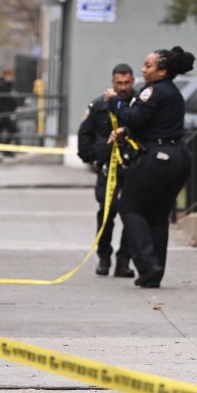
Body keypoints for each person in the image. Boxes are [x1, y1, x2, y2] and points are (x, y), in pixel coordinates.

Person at [105, 47, 194, 289]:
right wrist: (127, 131)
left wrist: (114, 101)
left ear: (162, 71)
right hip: (178, 157)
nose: (143, 70)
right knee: (156, 216)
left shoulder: (154, 91)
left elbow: (134, 117)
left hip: (157, 158)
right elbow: (152, 123)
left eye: (148, 66)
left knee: (129, 208)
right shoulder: (172, 92)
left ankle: (146, 263)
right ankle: (155, 271)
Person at [78, 63, 137, 277]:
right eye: (119, 83)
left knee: (131, 214)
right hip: (106, 166)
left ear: (133, 81)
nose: (123, 87)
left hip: (132, 165)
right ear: (112, 82)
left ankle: (123, 262)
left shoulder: (138, 104)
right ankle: (104, 258)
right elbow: (85, 134)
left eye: (127, 83)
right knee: (106, 212)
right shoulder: (98, 105)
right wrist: (92, 158)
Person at [0, 68, 20, 163]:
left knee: (10, 131)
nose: (13, 78)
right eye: (11, 76)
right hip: (1, 114)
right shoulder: (0, 85)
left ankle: (3, 151)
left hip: (5, 113)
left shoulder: (7, 85)